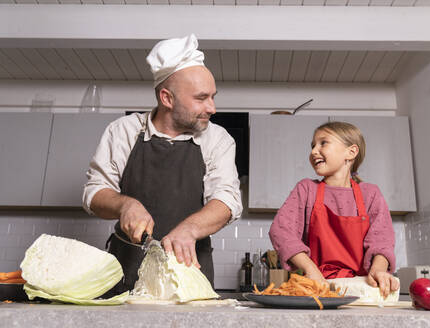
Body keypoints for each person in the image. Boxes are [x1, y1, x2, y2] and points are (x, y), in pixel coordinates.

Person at [82, 34, 242, 293]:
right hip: (125, 274)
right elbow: (94, 193)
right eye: (201, 98)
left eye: (213, 96)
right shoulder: (123, 131)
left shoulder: (217, 139)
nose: (212, 107)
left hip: (190, 275)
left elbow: (227, 201)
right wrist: (125, 205)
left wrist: (189, 230)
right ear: (167, 98)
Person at [269, 121, 399, 297]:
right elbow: (281, 231)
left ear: (351, 152)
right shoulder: (307, 189)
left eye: (323, 143)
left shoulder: (370, 193)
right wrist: (311, 270)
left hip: (359, 290)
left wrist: (379, 270)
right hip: (316, 288)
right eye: (313, 145)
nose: (314, 151)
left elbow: (382, 241)